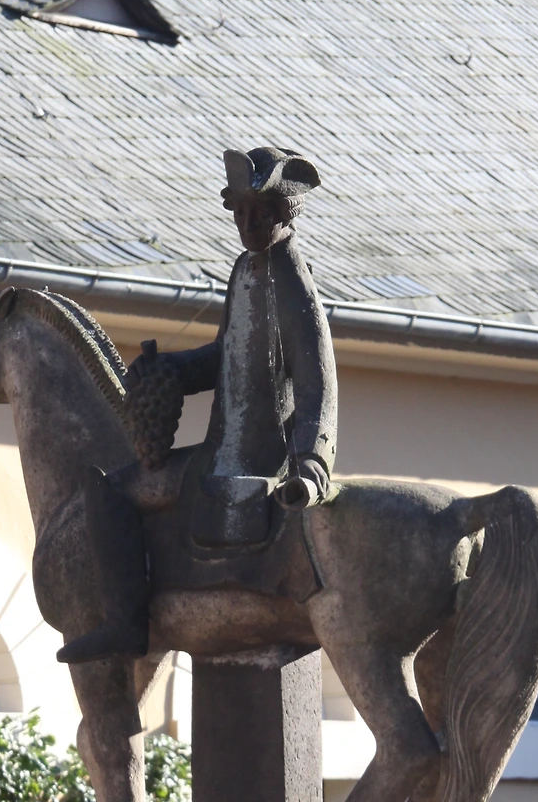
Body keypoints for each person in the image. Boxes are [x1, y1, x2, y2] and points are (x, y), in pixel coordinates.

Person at [57, 146, 338, 665]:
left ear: (285, 213)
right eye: (241, 212)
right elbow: (225, 355)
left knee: (112, 490)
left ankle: (126, 624)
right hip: (219, 450)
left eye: (260, 212)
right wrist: (171, 370)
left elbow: (319, 381)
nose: (249, 223)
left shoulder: (294, 284)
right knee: (110, 484)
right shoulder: (244, 271)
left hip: (258, 460)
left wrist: (313, 466)